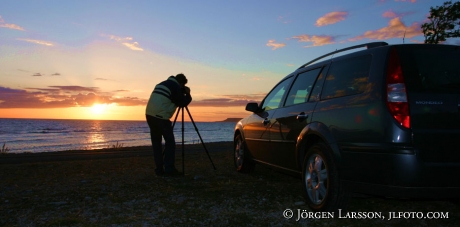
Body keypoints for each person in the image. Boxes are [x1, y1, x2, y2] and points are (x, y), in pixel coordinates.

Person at [146, 73, 192, 176]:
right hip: (161, 117)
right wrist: (188, 94)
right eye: (182, 86)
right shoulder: (175, 86)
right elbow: (183, 102)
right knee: (170, 143)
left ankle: (159, 170)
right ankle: (169, 169)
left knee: (156, 144)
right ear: (181, 83)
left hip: (149, 115)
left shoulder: (162, 83)